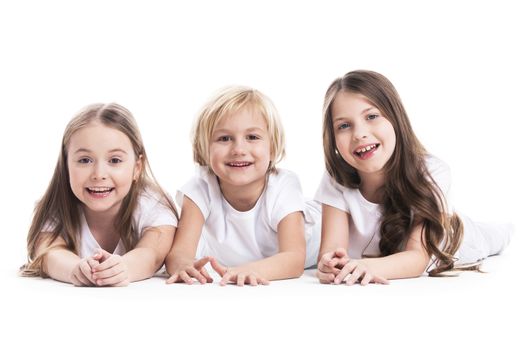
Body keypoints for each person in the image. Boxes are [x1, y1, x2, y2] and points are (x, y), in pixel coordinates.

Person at [315, 70, 511, 285]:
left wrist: (367, 266)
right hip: (382, 258)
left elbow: (417, 258)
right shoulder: (336, 179)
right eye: (344, 126)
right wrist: (330, 264)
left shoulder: (432, 172)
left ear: (395, 118)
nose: (359, 133)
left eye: (371, 116)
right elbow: (333, 250)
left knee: (495, 236)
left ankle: (509, 229)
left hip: (456, 239)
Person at [166, 86, 320, 286]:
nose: (238, 149)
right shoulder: (200, 188)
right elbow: (180, 253)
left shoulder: (284, 185)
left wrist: (251, 269)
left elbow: (294, 259)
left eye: (252, 137)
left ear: (272, 148)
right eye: (224, 138)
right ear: (204, 148)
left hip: (326, 238)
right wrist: (183, 266)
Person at [20, 103, 178, 286]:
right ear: (66, 165)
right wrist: (75, 269)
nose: (99, 174)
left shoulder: (154, 203)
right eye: (85, 160)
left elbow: (152, 253)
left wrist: (124, 268)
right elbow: (49, 252)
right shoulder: (57, 204)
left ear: (137, 168)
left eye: (115, 160)